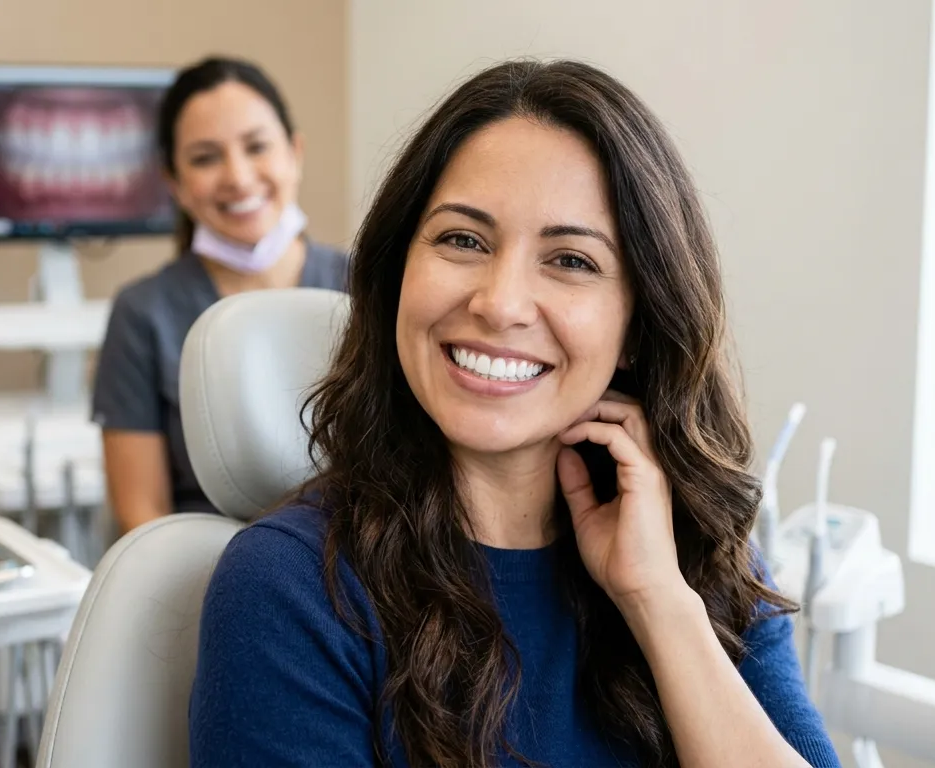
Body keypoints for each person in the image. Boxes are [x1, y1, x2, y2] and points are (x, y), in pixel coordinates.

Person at [189, 59, 842, 768]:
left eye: (570, 261)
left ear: (637, 327)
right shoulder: (288, 590)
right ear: (395, 274)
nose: (498, 303)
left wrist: (658, 603)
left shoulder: (704, 561)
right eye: (462, 240)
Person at [91, 56, 348, 536]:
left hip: (358, 569)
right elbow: (141, 516)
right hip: (207, 575)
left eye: (257, 147)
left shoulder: (367, 286)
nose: (237, 176)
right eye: (206, 157)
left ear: (295, 152)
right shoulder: (143, 313)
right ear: (175, 184)